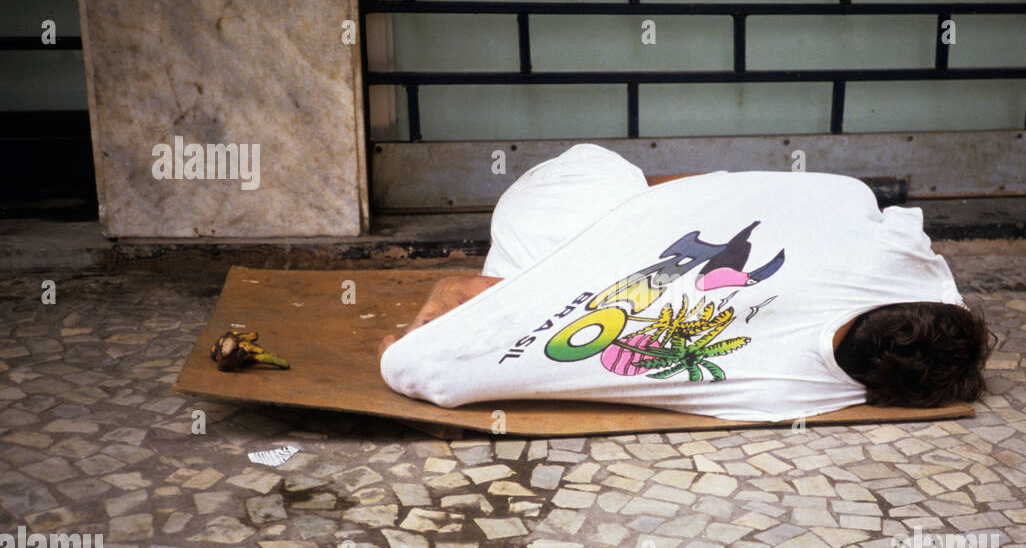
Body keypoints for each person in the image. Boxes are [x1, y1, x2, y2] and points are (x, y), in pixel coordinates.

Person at [379, 144, 991, 422]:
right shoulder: (788, 395)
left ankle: (626, 210)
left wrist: (660, 209)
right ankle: (509, 280)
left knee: (588, 183)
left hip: (571, 199)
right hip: (578, 214)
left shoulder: (898, 264)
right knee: (580, 207)